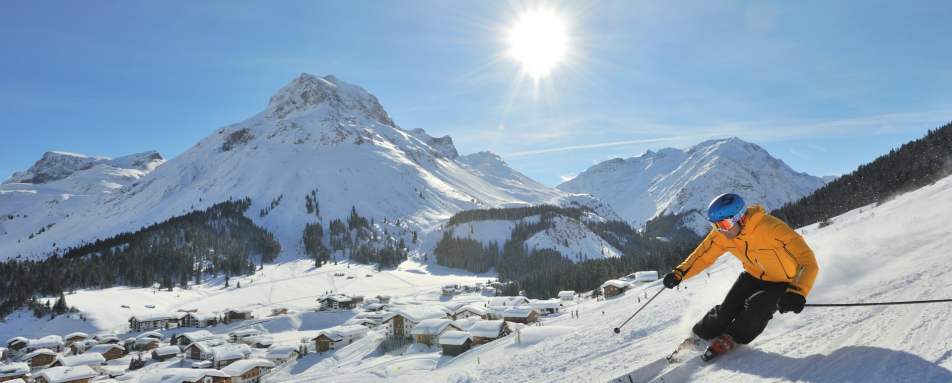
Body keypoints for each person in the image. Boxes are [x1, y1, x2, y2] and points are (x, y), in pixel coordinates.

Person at [662, 193, 819, 360]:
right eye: (715, 225)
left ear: (740, 218)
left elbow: (807, 261)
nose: (720, 230)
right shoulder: (723, 234)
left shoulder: (772, 229)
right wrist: (679, 273)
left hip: (783, 282)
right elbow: (702, 255)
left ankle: (733, 336)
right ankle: (700, 335)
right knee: (726, 310)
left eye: (723, 224)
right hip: (752, 275)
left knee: (755, 308)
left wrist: (797, 291)